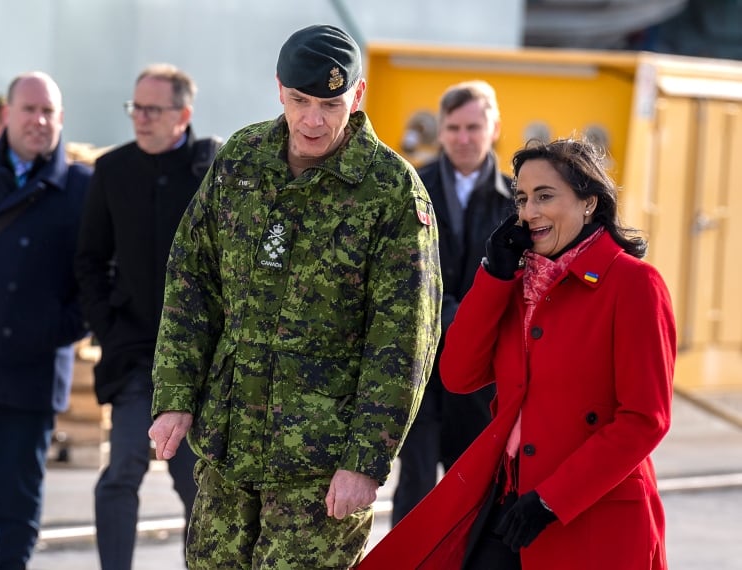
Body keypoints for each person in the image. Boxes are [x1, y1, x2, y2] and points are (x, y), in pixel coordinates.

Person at [147, 24, 442, 569]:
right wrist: (175, 396)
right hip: (227, 453)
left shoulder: (391, 192)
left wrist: (366, 461)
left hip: (321, 470)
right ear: (279, 88)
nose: (312, 119)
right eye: (300, 100)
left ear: (357, 97)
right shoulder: (240, 161)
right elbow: (192, 281)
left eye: (330, 103)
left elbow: (404, 341)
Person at [359, 137, 676, 570]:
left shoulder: (635, 284)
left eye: (545, 196)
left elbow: (645, 420)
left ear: (589, 203)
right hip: (509, 501)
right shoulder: (519, 283)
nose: (529, 212)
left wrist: (550, 501)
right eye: (522, 199)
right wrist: (493, 276)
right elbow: (458, 374)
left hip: (590, 512)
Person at [74, 63, 220, 570]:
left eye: (152, 109)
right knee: (122, 473)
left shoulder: (212, 169)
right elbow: (90, 259)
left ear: (183, 115)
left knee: (197, 486)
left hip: (205, 365)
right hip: (136, 354)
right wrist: (109, 328)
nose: (140, 118)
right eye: (135, 107)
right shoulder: (112, 171)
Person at [0, 71, 91, 570]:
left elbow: (101, 277)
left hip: (28, 370)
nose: (39, 120)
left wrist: (53, 330)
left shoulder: (81, 187)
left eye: (49, 112)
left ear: (60, 120)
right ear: (7, 115)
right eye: (29, 109)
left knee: (16, 499)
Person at [392, 80, 513, 526]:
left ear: (494, 128)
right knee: (416, 488)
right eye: (454, 127)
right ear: (440, 131)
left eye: (474, 127)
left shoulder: (520, 200)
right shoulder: (408, 189)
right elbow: (399, 276)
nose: (464, 138)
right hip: (418, 371)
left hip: (483, 377)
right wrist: (451, 318)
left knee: (478, 492)